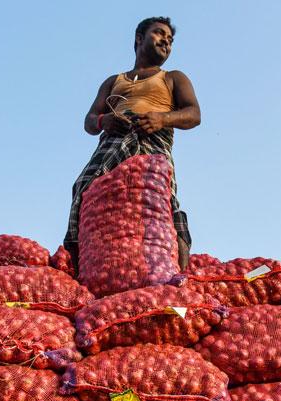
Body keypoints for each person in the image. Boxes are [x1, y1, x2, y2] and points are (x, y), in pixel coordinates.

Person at [64, 16, 201, 271]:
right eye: (159, 34)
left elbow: (194, 114)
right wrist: (105, 120)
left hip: (152, 138)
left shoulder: (173, 78)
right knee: (84, 186)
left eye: (170, 40)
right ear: (139, 39)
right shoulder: (114, 81)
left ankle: (181, 273)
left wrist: (162, 118)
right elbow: (89, 121)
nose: (166, 42)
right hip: (115, 139)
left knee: (161, 196)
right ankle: (78, 265)